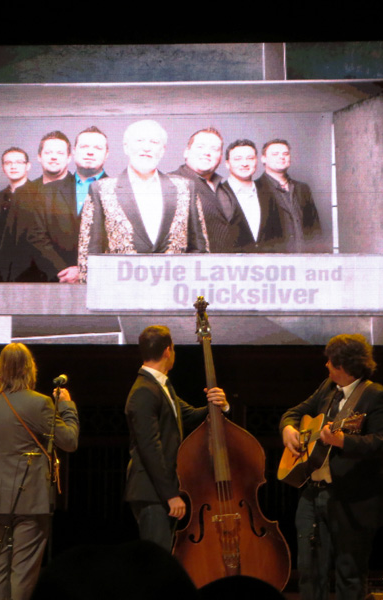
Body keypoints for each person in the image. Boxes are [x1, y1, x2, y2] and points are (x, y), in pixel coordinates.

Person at [280, 334, 383, 600]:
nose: (326, 365)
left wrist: (343, 441)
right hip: (314, 493)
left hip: (353, 498)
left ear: (343, 366)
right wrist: (288, 428)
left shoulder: (376, 395)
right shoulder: (328, 388)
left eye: (330, 361)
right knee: (309, 571)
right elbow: (294, 412)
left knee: (349, 573)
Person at [0, 343, 80, 600]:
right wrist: (67, 406)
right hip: (30, 500)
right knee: (23, 571)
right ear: (30, 369)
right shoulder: (40, 403)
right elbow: (69, 441)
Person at [124, 325, 228, 552]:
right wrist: (170, 495)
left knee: (162, 559)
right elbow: (150, 449)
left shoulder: (160, 386)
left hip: (158, 491)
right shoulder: (144, 391)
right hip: (151, 492)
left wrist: (219, 404)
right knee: (156, 560)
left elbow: (191, 415)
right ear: (168, 351)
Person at [77, 120, 208, 282]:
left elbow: (200, 249)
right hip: (121, 289)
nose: (146, 147)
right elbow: (89, 254)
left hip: (174, 287)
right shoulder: (102, 189)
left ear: (163, 150)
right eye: (139, 141)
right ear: (126, 147)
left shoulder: (185, 188)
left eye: (154, 142)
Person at [171, 128, 249, 252]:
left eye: (214, 149)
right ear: (186, 152)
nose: (207, 152)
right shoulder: (171, 184)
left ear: (221, 157)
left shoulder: (225, 189)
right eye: (200, 147)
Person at [0, 147, 41, 282]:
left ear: (28, 166)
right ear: (3, 167)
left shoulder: (40, 195)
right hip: (0, 269)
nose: (13, 166)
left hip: (30, 270)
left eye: (18, 162)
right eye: (8, 163)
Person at [27, 131, 82, 283]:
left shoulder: (82, 189)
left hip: (71, 277)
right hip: (29, 278)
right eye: (48, 152)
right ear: (39, 157)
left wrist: (71, 271)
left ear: (69, 158)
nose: (54, 157)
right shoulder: (26, 191)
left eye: (60, 153)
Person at [256, 139, 325, 252]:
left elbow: (315, 229)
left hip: (306, 258)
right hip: (272, 259)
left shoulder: (303, 189)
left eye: (285, 154)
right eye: (275, 154)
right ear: (263, 158)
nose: (281, 157)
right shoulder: (255, 188)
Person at [220, 139, 283, 252]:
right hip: (231, 262)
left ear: (256, 161)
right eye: (238, 159)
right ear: (227, 164)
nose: (244, 163)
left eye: (250, 158)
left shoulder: (269, 193)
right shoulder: (218, 194)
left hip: (267, 261)